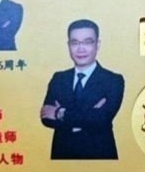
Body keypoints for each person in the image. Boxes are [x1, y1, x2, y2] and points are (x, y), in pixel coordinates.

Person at [40, 19, 124, 159]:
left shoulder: (113, 80)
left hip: (99, 155)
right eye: (75, 43)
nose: (81, 49)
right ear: (68, 45)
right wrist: (88, 116)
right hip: (62, 155)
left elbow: (102, 119)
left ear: (97, 45)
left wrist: (59, 112)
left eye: (87, 42)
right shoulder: (59, 78)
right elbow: (46, 117)